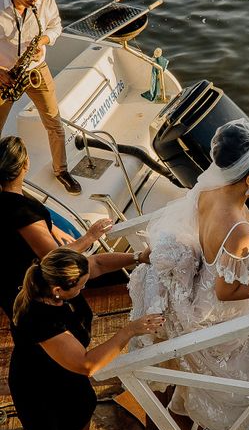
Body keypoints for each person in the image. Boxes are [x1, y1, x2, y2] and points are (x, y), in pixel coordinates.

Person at [129, 119, 249, 430]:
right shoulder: (239, 228)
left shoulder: (209, 190)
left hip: (199, 281)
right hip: (216, 306)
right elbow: (225, 292)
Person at [10, 248, 165, 430]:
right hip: (44, 389)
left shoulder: (52, 277)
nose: (84, 287)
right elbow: (87, 364)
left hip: (71, 378)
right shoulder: (41, 320)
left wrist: (137, 256)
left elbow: (97, 263)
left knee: (82, 413)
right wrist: (129, 330)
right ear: (58, 290)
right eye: (81, 286)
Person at [0, 135, 143, 324]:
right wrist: (90, 237)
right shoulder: (21, 210)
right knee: (73, 328)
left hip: (14, 286)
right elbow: (54, 257)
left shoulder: (10, 202)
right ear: (25, 164)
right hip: (40, 295)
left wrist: (52, 228)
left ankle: (140, 257)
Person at [0, 0, 81, 195]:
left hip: (36, 69)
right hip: (5, 75)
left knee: (54, 124)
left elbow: (55, 26)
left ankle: (62, 171)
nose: (36, 1)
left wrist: (43, 41)